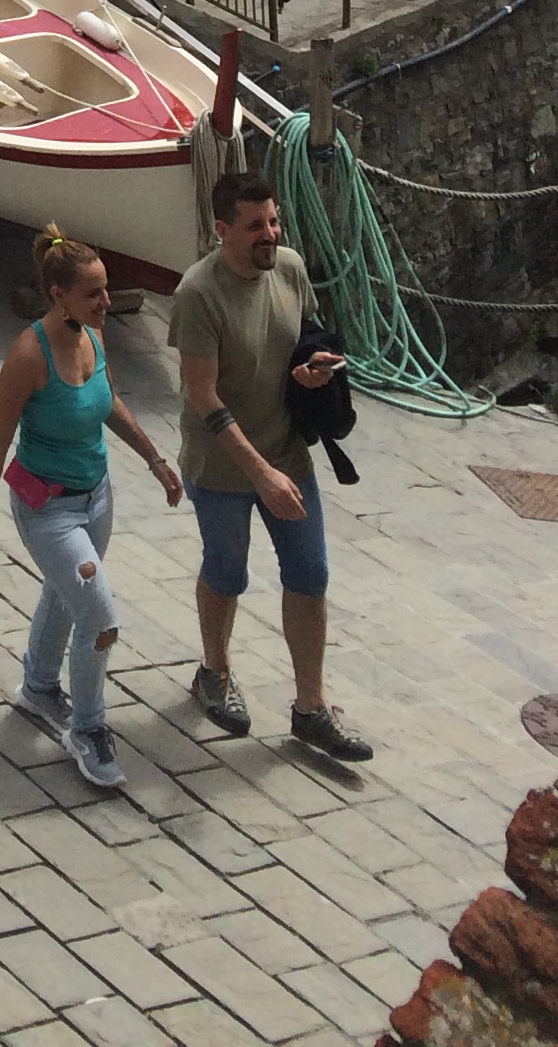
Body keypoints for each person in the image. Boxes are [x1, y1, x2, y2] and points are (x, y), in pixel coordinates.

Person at [0, 227, 183, 793]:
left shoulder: (93, 338)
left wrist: (156, 460)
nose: (106, 303)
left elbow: (109, 403)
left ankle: (40, 688)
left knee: (68, 598)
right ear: (59, 295)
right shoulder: (27, 354)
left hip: (97, 497)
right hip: (48, 510)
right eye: (94, 294)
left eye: (106, 291)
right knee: (101, 619)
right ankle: (87, 728)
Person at [168, 171, 373, 763]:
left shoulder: (289, 268)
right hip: (223, 466)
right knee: (227, 572)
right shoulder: (197, 295)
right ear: (222, 230)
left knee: (310, 575)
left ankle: (311, 708)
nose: (270, 233)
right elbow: (204, 396)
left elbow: (300, 343)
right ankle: (215, 672)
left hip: (287, 453)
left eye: (274, 220)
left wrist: (308, 373)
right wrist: (260, 473)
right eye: (256, 225)